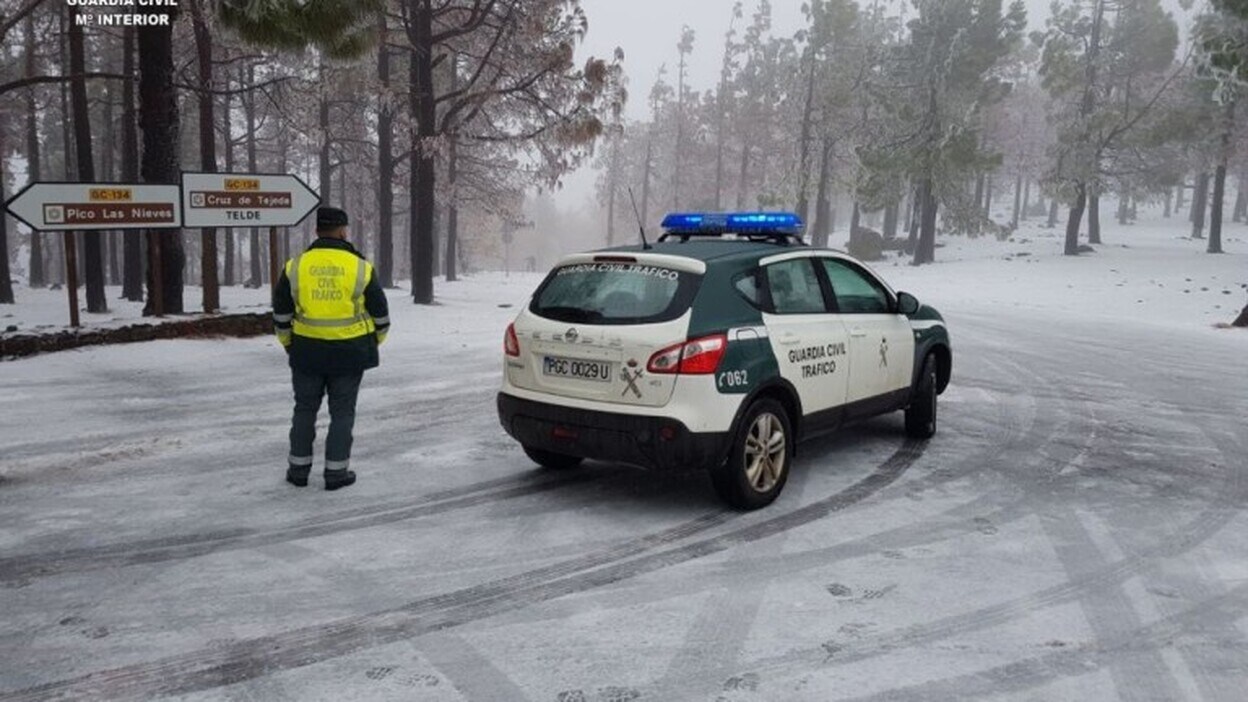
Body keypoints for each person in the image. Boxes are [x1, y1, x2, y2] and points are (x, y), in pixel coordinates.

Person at [272, 207, 390, 490]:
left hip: (307, 351)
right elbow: (381, 317)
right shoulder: (360, 267)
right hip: (350, 353)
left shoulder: (295, 266)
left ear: (317, 231)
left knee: (304, 409)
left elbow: (281, 315)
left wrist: (289, 344)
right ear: (343, 231)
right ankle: (336, 474)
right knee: (342, 413)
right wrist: (372, 342)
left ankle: (298, 472)